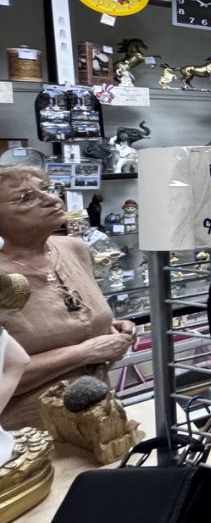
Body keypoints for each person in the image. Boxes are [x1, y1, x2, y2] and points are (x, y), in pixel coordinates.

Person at [0, 165, 134, 429]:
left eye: (47, 189)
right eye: (26, 198)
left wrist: (110, 327)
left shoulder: (75, 249)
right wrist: (84, 352)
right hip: (30, 434)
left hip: (102, 420)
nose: (52, 199)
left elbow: (72, 318)